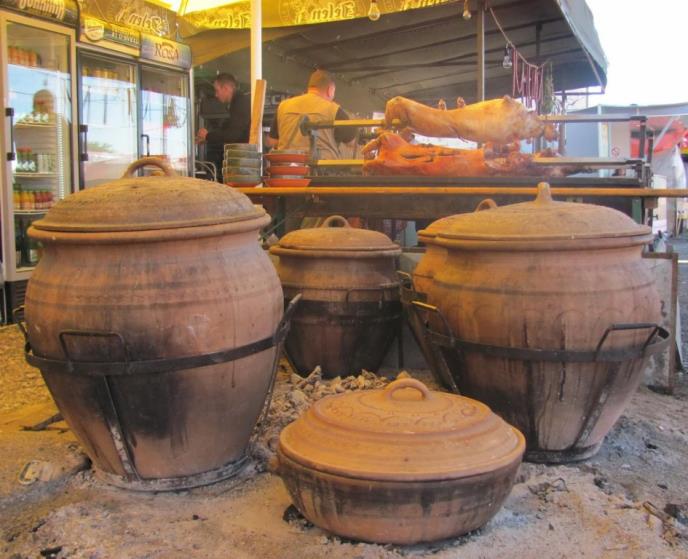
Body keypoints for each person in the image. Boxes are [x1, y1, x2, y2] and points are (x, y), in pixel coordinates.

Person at [266, 69, 356, 160]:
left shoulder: (283, 106)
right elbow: (352, 142)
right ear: (330, 90)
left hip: (288, 166)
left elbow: (272, 141)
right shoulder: (334, 109)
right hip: (322, 166)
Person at [196, 73, 251, 179]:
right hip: (242, 161)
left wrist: (208, 136)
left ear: (226, 88)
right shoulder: (237, 103)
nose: (216, 95)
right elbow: (227, 130)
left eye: (217, 90)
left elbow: (232, 135)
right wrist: (207, 137)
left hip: (243, 163)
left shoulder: (240, 103)